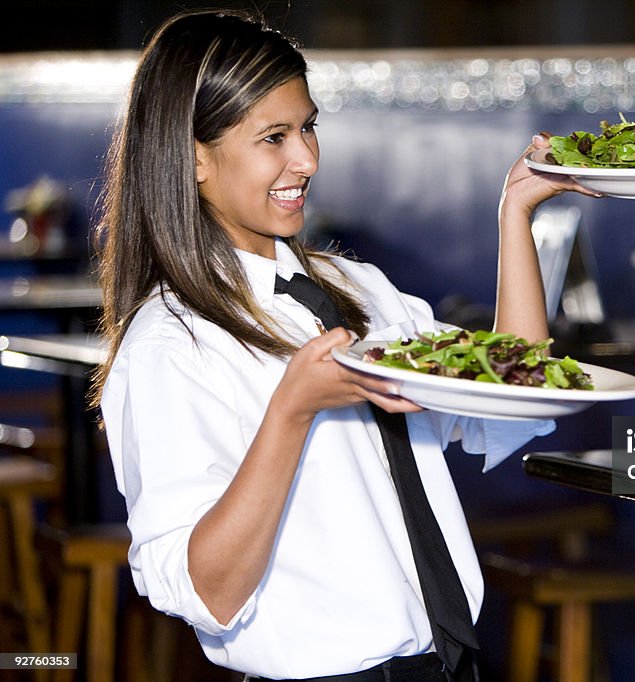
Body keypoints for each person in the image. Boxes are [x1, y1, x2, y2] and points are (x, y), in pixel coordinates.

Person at [91, 8, 598, 682]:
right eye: (273, 137)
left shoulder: (358, 287)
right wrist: (292, 412)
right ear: (194, 158)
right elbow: (209, 592)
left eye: (308, 127)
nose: (306, 158)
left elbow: (515, 395)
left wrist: (517, 213)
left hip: (448, 665)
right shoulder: (171, 341)